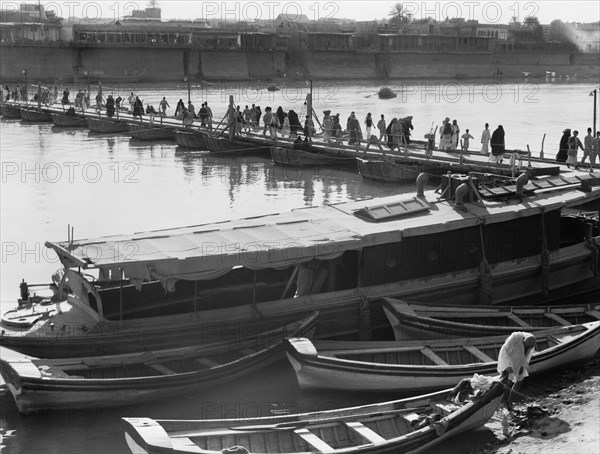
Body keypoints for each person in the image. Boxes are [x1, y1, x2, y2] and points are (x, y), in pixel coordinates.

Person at [497, 332, 536, 411]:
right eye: (525, 345)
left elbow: (527, 354)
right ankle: (504, 403)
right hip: (509, 360)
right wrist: (507, 366)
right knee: (508, 382)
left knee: (519, 381)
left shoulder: (531, 342)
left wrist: (522, 366)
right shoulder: (514, 338)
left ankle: (510, 401)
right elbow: (503, 351)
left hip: (519, 361)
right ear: (523, 341)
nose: (527, 347)